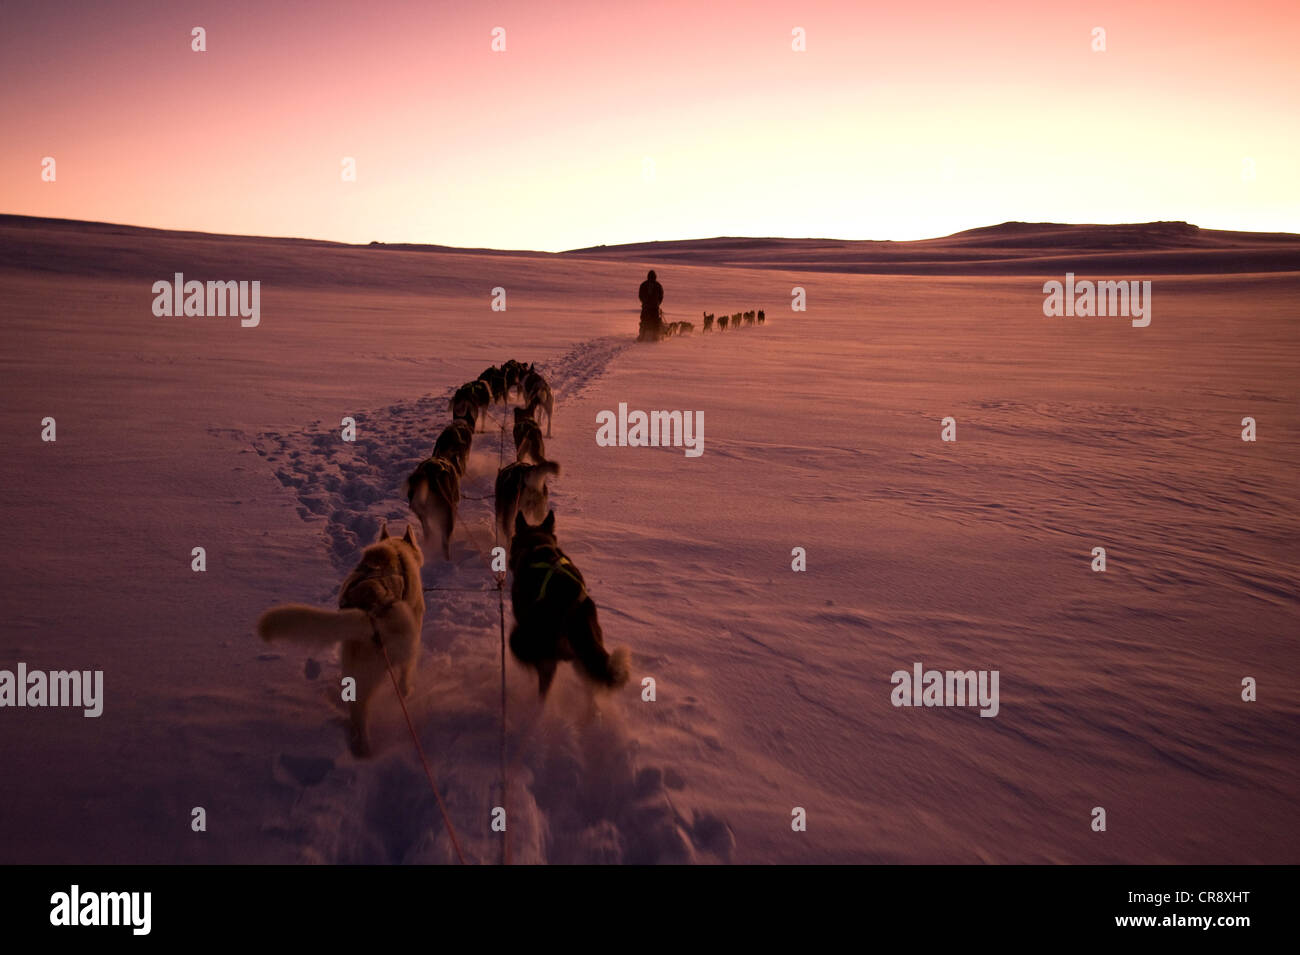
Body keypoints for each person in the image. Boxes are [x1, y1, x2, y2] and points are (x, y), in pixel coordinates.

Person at [637, 269, 664, 341]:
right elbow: (661, 296)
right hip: (654, 307)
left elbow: (640, 295)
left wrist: (644, 302)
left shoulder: (643, 284)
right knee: (655, 321)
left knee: (644, 321)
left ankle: (642, 335)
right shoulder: (658, 285)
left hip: (646, 307)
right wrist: (658, 303)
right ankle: (655, 336)